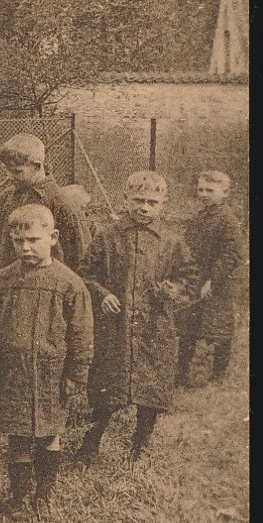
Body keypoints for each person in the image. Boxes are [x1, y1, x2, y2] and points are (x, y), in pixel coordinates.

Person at [0, 204, 94, 515]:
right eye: (18, 241)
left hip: (51, 373)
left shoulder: (69, 283)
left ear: (53, 237)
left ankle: (43, 496)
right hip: (13, 372)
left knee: (48, 435)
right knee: (17, 435)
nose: (25, 247)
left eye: (33, 239)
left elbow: (82, 334)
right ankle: (18, 498)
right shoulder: (3, 280)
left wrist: (76, 375)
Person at [76, 171, 197, 464]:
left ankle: (140, 445)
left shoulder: (171, 242)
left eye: (152, 202)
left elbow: (188, 276)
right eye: (138, 200)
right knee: (107, 388)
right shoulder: (108, 236)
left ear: (163, 205)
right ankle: (91, 443)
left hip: (155, 328)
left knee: (151, 389)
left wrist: (173, 288)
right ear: (125, 199)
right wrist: (102, 293)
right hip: (115, 328)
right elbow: (84, 274)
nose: (144, 207)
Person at [0, 133, 86, 288]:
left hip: (47, 291)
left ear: (37, 166)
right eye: (7, 171)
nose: (9, 177)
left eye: (17, 171)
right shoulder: (6, 199)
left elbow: (81, 257)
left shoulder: (62, 202)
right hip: (7, 288)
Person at [175, 171, 244, 386]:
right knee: (188, 327)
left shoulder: (228, 220)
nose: (203, 194)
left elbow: (231, 255)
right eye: (200, 189)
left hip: (218, 283)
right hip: (196, 279)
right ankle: (181, 374)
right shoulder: (199, 218)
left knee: (219, 329)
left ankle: (218, 375)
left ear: (225, 193)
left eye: (209, 190)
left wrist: (212, 281)